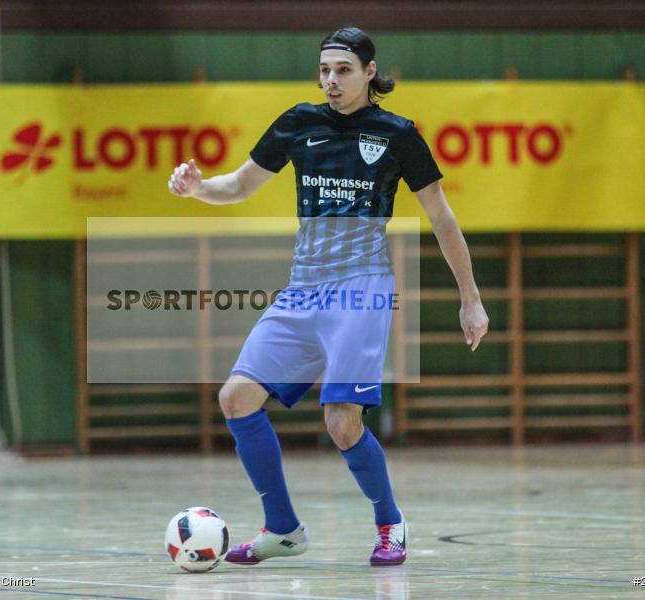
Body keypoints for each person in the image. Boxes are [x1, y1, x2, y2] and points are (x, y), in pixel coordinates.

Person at [167, 27, 488, 566]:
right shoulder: (299, 123)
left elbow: (441, 216)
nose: (331, 80)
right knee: (236, 398)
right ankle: (284, 530)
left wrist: (470, 298)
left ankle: (390, 523)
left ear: (369, 72)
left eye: (342, 70)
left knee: (341, 423)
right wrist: (198, 186)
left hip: (361, 287)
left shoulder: (398, 134)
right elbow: (241, 185)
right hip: (303, 289)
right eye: (324, 71)